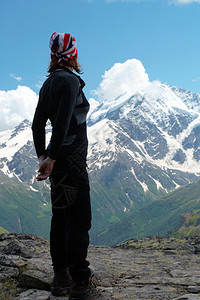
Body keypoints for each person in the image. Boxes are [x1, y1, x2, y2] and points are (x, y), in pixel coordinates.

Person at [32, 32, 92, 300]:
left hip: (58, 165)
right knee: (79, 219)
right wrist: (53, 158)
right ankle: (79, 281)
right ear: (73, 55)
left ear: (52, 56)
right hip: (73, 163)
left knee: (61, 216)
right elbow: (66, 122)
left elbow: (37, 125)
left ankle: (61, 277)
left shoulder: (48, 85)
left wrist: (43, 157)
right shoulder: (70, 82)